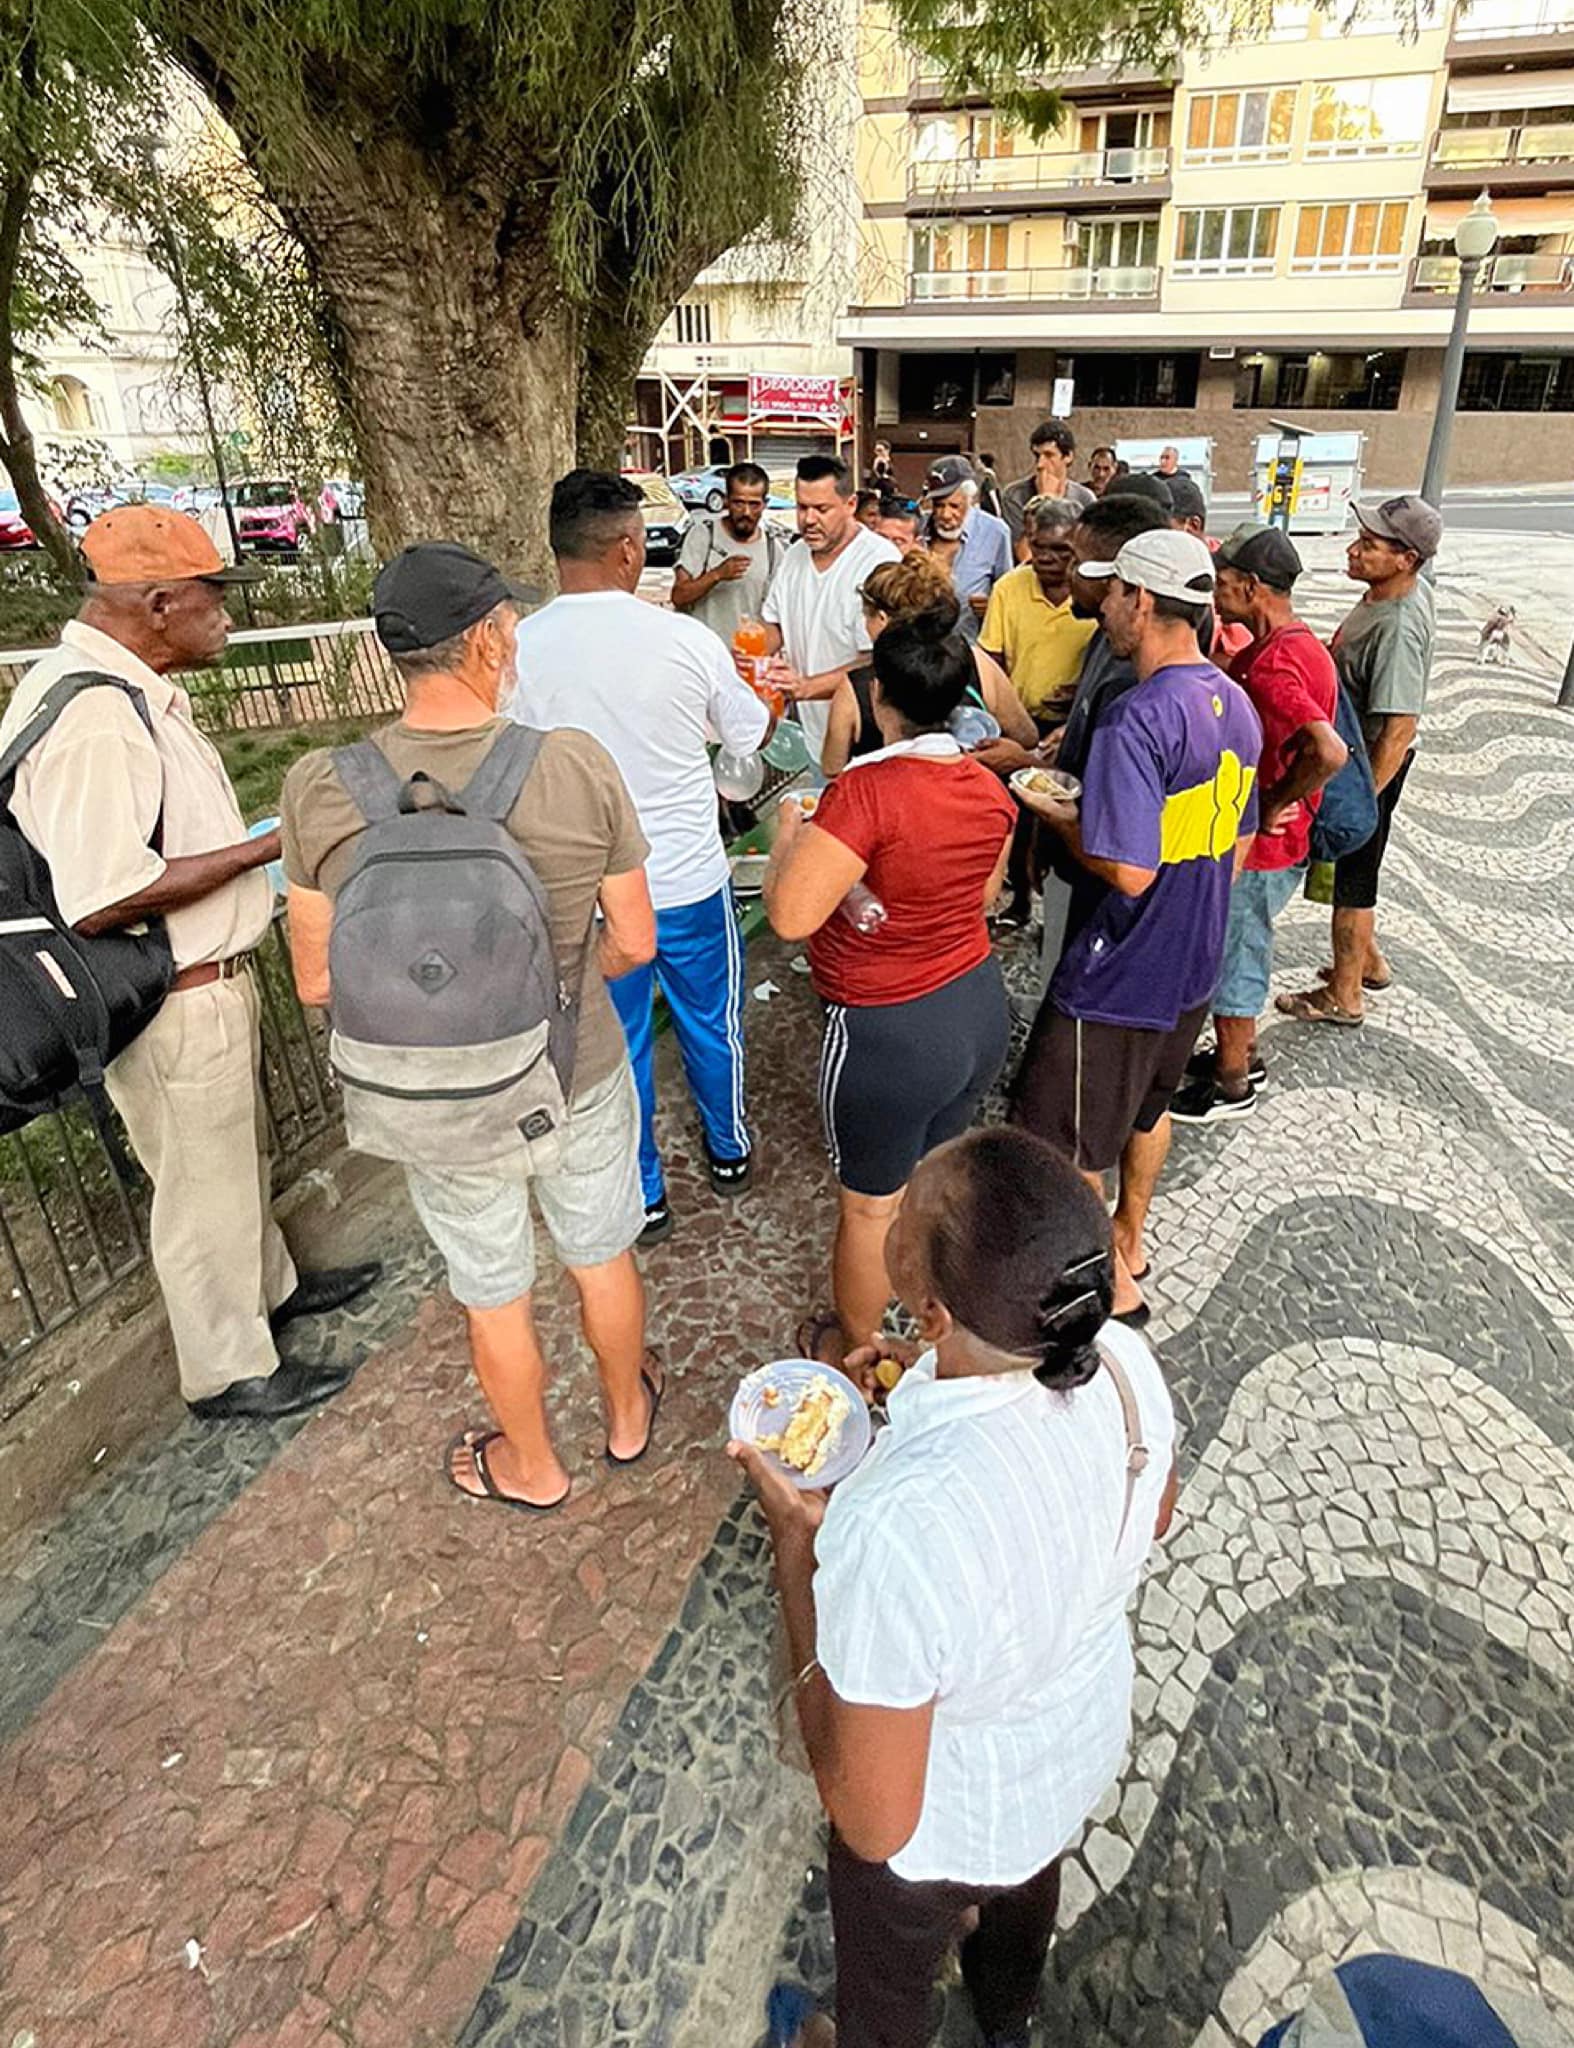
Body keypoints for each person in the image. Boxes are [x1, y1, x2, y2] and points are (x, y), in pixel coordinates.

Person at [732, 1126, 1177, 2048]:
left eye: (905, 1213)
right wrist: (937, 1376)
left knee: (885, 1974)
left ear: (932, 1311)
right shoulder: (1127, 1364)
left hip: (949, 1820)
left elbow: (873, 1821)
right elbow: (1152, 1514)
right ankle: (1006, 2014)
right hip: (1070, 1750)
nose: (897, 1199)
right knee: (1026, 1886)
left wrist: (795, 1545)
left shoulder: (898, 1525)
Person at [282, 541, 659, 1509]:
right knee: (599, 1254)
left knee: (491, 1288)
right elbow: (637, 938)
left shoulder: (321, 787)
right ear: (492, 639)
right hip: (572, 1072)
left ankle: (531, 1464)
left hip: (433, 1101)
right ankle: (625, 1415)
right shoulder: (573, 764)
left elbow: (317, 979)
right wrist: (560, 984)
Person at [0, 507, 378, 1420]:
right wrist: (266, 848)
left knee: (231, 1161)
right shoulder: (96, 715)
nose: (229, 617)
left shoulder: (118, 690)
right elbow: (101, 891)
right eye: (218, 598)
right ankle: (228, 1368)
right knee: (198, 1187)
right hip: (171, 997)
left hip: (201, 983)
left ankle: (272, 1292)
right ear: (161, 602)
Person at [1011, 529, 1262, 1323]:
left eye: (1114, 593)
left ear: (1144, 601)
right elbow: (1239, 838)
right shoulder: (1234, 701)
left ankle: (1113, 1292)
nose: (1105, 608)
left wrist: (1055, 818)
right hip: (1195, 956)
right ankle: (1133, 1234)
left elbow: (1127, 869)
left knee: (1069, 1139)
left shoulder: (1137, 715)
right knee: (1147, 1112)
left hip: (1120, 970)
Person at [513, 470, 771, 1241]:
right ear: (628, 549)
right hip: (686, 879)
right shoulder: (684, 640)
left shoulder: (517, 650)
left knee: (618, 1042)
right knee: (710, 1020)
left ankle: (644, 1190)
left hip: (585, 895)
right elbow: (748, 734)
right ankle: (728, 1150)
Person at [762, 623, 1015, 1366]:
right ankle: (934, 1310)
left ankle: (859, 1347)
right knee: (930, 1181)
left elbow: (790, 916)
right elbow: (985, 893)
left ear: (879, 697)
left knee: (869, 1207)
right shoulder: (988, 788)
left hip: (886, 1033)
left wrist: (787, 836)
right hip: (976, 1008)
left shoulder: (864, 791)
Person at [1171, 524, 1345, 1125]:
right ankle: (1237, 1050)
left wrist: (1273, 800)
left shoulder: (1279, 664)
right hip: (1277, 841)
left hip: (1266, 848)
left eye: (1222, 585)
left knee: (1236, 954)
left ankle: (1232, 1080)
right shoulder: (1292, 644)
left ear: (1249, 587)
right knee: (1237, 946)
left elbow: (1329, 749)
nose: (1215, 595)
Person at [1277, 494, 1441, 1029]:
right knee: (1351, 872)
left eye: (1369, 546)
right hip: (1357, 760)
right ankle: (1369, 963)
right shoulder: (1386, 596)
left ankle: (1345, 996)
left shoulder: (1396, 626)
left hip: (1369, 766)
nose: (1354, 550)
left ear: (1405, 560)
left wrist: (1362, 804)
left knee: (1353, 879)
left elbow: (1399, 728)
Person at [822, 551, 1036, 777]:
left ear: (882, 619)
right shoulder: (976, 662)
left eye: (867, 617)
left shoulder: (855, 690)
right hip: (973, 797)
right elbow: (1026, 736)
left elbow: (833, 768)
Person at [760, 454, 900, 759]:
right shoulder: (794, 555)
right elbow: (775, 623)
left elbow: (879, 661)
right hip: (814, 736)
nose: (809, 520)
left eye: (821, 509)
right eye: (801, 507)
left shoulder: (880, 561)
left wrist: (805, 687)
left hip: (868, 741)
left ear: (850, 505)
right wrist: (753, 655)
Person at [978, 497, 1096, 730]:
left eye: (1059, 549)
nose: (1045, 557)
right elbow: (991, 660)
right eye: (1038, 547)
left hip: (1076, 723)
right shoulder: (1007, 588)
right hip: (1017, 722)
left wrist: (1082, 692)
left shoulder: (1094, 595)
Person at [669, 460, 787, 646]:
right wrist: (717, 574)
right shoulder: (703, 535)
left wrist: (760, 657)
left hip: (745, 661)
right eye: (739, 503)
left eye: (754, 504)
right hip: (702, 656)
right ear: (726, 501)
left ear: (765, 504)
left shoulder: (773, 550)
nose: (746, 512)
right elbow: (678, 597)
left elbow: (776, 619)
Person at [918, 456, 1011, 645]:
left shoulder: (995, 532)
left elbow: (1007, 594)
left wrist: (991, 608)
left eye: (954, 506)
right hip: (921, 648)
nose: (945, 515)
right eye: (938, 505)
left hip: (972, 650)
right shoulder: (918, 529)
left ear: (970, 500)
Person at [1001, 420, 1094, 553]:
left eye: (1049, 455)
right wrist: (1043, 501)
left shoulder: (1085, 498)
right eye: (1037, 456)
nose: (1040, 464)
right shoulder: (1014, 496)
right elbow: (1026, 556)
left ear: (1068, 456)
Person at [974, 448, 1004, 518]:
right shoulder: (990, 475)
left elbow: (992, 493)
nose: (976, 463)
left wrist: (998, 511)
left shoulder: (988, 476)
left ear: (983, 463)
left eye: (978, 462)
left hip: (988, 509)